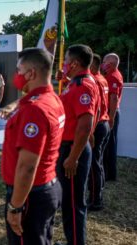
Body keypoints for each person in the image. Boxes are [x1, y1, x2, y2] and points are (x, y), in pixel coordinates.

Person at [1, 48, 64, 244]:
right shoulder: (51, 98)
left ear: (31, 74)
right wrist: (14, 105)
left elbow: (27, 167)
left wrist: (15, 207)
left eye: (19, 70)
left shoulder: (34, 111)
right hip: (46, 188)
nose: (16, 76)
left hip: (30, 196)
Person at [57, 44, 99, 245]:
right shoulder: (75, 82)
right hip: (69, 147)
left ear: (74, 63)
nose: (63, 63)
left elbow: (84, 125)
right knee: (68, 202)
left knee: (73, 204)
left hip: (72, 149)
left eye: (65, 60)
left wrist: (73, 157)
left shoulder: (83, 85)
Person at [88, 54, 110, 211]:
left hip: (98, 125)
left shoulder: (94, 80)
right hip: (104, 123)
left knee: (94, 164)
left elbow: (97, 108)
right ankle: (97, 194)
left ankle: (96, 200)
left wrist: (90, 131)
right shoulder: (101, 78)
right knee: (98, 162)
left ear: (93, 66)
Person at [102, 53, 124, 181]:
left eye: (105, 62)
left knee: (110, 144)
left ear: (110, 64)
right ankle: (109, 172)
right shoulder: (112, 74)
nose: (103, 64)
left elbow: (114, 98)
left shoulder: (113, 77)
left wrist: (111, 118)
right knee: (110, 143)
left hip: (111, 112)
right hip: (112, 112)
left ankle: (109, 173)